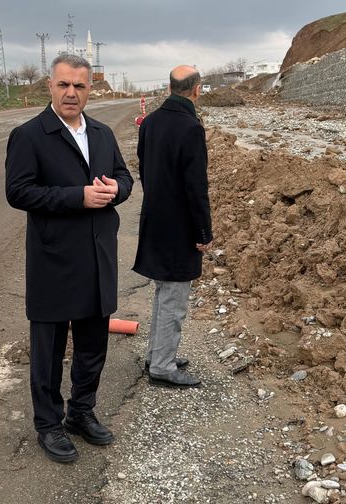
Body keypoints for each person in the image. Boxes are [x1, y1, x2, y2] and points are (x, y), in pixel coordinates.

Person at [5, 54, 134, 464]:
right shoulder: (29, 135)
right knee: (49, 351)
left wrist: (117, 188)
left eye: (80, 86)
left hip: (98, 256)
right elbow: (19, 192)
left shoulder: (100, 132)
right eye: (64, 85)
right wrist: (77, 196)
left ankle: (81, 411)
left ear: (89, 89)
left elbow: (125, 178)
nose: (71, 93)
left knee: (93, 345)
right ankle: (48, 423)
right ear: (51, 86)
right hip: (54, 261)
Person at [133, 65, 213, 389]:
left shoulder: (150, 123)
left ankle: (157, 354)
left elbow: (142, 169)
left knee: (163, 292)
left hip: (155, 220)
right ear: (196, 90)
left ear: (169, 87)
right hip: (180, 227)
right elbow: (197, 188)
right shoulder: (190, 127)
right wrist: (203, 233)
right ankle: (163, 366)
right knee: (175, 298)